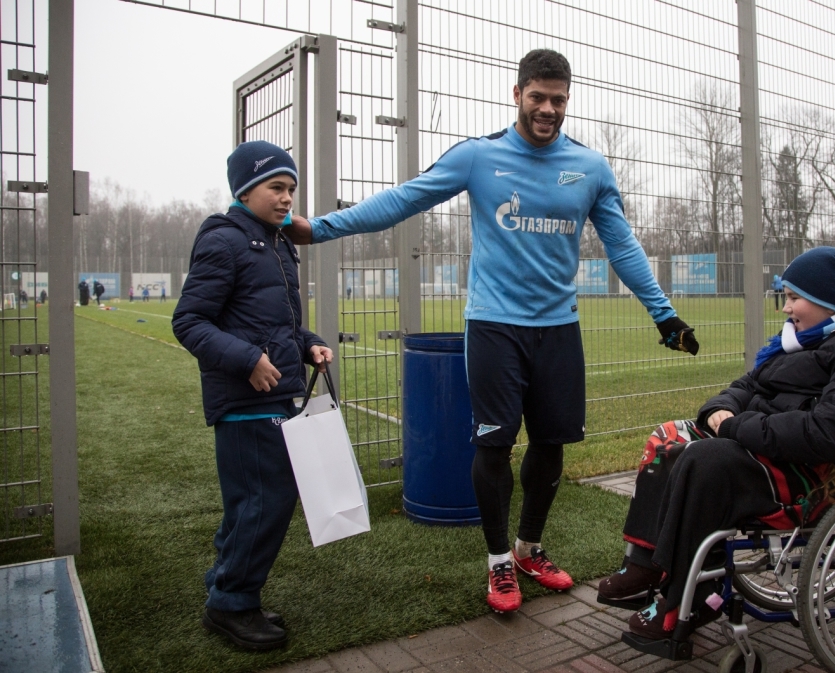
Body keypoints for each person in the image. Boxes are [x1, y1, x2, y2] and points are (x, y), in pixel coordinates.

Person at [285, 49, 700, 614]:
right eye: (538, 98)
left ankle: (530, 548)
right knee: (495, 445)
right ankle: (498, 563)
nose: (548, 109)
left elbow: (621, 244)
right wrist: (321, 227)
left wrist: (663, 313)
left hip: (558, 329)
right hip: (493, 327)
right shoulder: (479, 157)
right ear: (517, 94)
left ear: (567, 100)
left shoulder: (591, 168)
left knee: (552, 446)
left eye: (558, 100)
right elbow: (407, 197)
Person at [595, 247, 835, 643]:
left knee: (705, 460)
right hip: (766, 447)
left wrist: (738, 427)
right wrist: (720, 410)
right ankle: (644, 563)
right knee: (668, 438)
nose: (785, 308)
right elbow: (749, 386)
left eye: (794, 298)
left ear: (828, 301)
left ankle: (685, 602)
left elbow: (830, 432)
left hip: (814, 475)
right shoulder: (801, 337)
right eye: (786, 297)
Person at [172, 140, 333, 651]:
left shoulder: (277, 242)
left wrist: (308, 345)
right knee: (266, 499)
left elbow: (275, 320)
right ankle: (231, 604)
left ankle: (226, 575)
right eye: (276, 188)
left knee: (252, 499)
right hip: (244, 401)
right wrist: (248, 361)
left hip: (275, 394)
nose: (287, 198)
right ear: (245, 190)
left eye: (291, 189)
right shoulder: (225, 240)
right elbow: (190, 321)